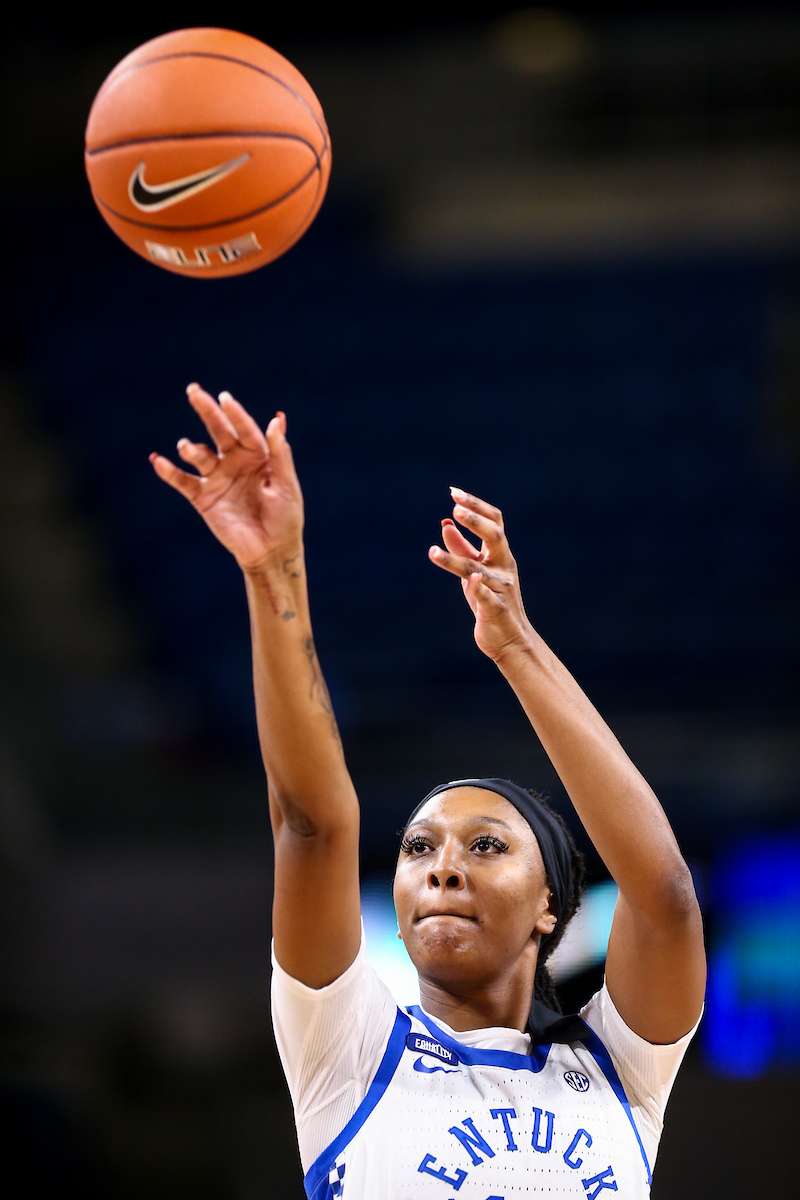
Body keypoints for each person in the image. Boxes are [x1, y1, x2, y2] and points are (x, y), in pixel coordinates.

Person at [151, 384, 706, 1200]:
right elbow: (313, 825)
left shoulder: (620, 1068)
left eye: (487, 845)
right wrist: (274, 569)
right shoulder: (347, 1046)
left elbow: (664, 896)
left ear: (550, 904)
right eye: (419, 849)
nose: (443, 868)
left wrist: (515, 643)